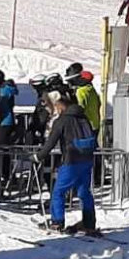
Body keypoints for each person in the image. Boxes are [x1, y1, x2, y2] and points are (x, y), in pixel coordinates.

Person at [39, 89, 100, 234]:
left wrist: (38, 156)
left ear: (59, 105)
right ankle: (89, 221)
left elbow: (51, 142)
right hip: (87, 159)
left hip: (71, 159)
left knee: (58, 192)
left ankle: (57, 221)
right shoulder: (82, 117)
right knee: (84, 192)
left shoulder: (63, 120)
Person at [68, 64, 104, 133]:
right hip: (95, 123)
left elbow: (80, 107)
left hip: (86, 124)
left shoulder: (80, 91)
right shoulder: (91, 89)